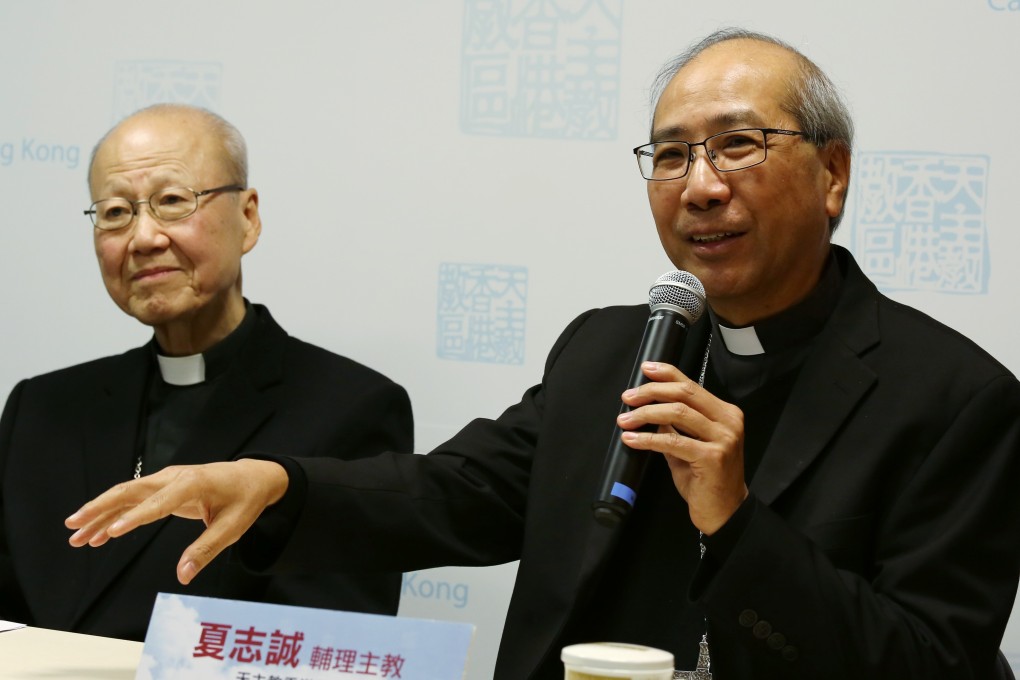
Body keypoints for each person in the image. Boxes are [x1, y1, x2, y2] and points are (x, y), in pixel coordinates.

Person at [66, 30, 1020, 678]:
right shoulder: (611, 346)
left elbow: (935, 663)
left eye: (737, 146)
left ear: (834, 173)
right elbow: (457, 495)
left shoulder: (953, 397)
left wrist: (734, 524)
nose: (699, 188)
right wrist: (278, 487)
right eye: (671, 155)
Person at [0, 104, 414, 641]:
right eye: (116, 212)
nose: (143, 238)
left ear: (247, 218)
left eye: (173, 201)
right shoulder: (41, 407)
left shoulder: (350, 409)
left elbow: (329, 646)